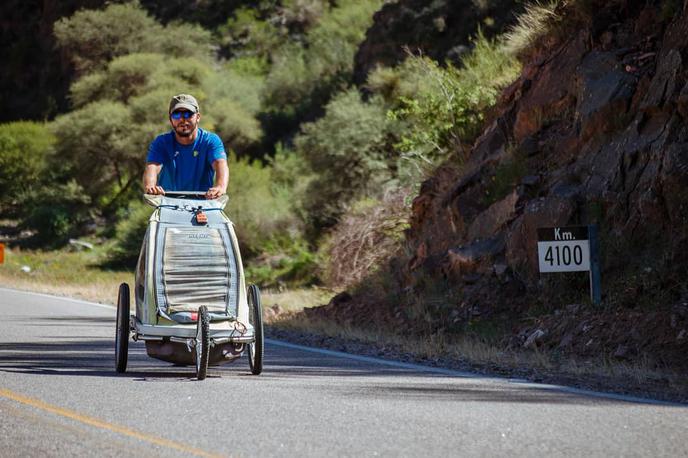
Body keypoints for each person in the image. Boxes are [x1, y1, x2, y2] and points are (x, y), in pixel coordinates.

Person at [143, 94, 228, 199]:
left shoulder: (210, 140)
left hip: (204, 206)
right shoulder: (161, 142)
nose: (183, 119)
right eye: (176, 115)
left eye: (188, 114)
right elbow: (152, 167)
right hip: (168, 205)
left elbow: (220, 164)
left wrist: (220, 186)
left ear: (198, 117)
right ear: (170, 119)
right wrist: (150, 186)